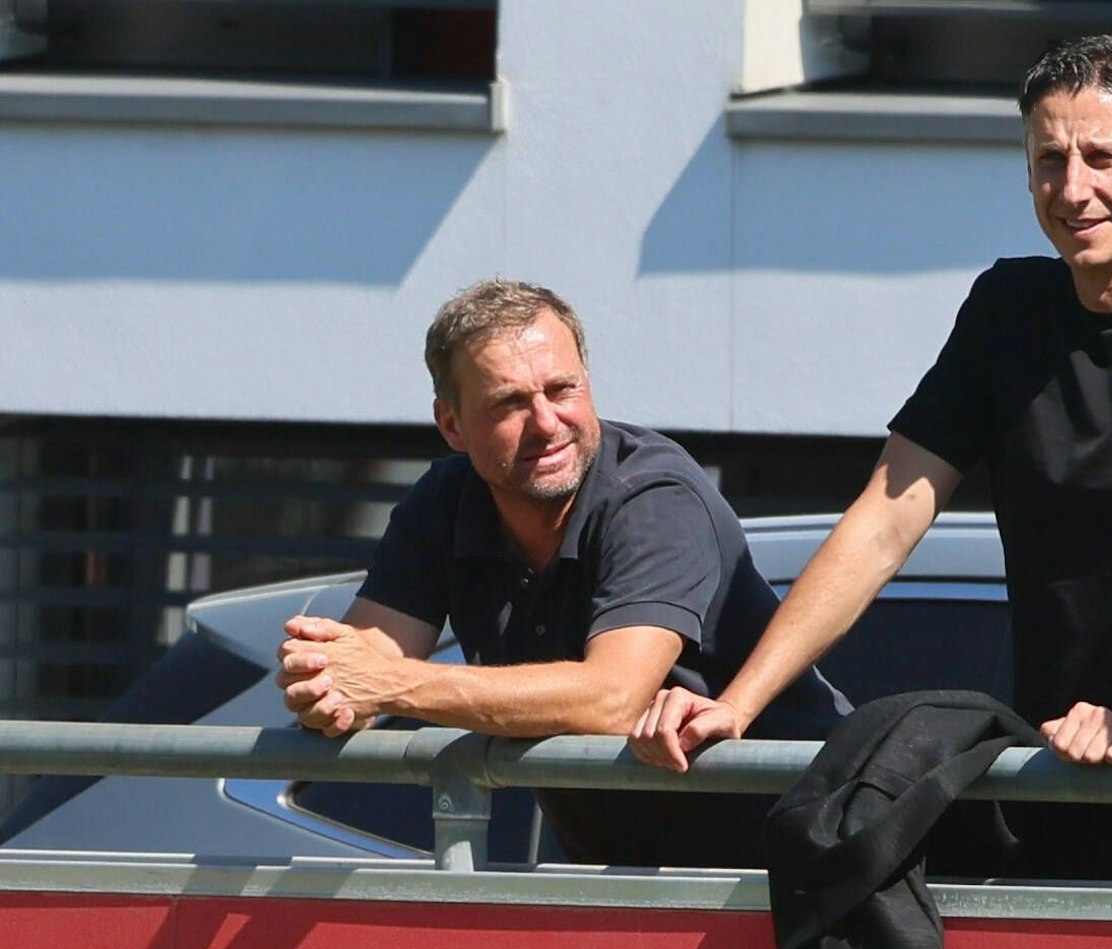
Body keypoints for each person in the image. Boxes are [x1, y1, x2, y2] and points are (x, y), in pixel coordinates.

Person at [630, 35, 1112, 881]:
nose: (1073, 189)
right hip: (1053, 795)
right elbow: (886, 517)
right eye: (1048, 160)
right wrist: (738, 705)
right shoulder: (1008, 308)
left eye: (1102, 157)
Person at [274, 279, 845, 866]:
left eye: (561, 389)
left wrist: (390, 686)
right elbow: (368, 655)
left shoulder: (652, 497)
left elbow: (611, 699)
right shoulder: (443, 502)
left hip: (797, 868)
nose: (546, 423)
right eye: (509, 403)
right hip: (617, 882)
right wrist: (327, 679)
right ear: (451, 426)